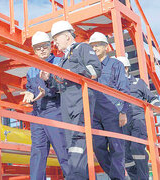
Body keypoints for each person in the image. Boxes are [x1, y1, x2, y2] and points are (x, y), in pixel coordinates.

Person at [42, 20, 101, 180]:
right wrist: (48, 79)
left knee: (78, 143)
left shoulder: (83, 48)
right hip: (67, 107)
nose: (54, 43)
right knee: (71, 146)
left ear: (67, 36)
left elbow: (95, 70)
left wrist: (70, 71)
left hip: (81, 104)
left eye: (56, 38)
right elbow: (58, 85)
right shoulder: (63, 60)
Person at [21, 31, 69, 180]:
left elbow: (64, 87)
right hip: (37, 113)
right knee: (37, 153)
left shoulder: (59, 63)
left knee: (63, 150)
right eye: (37, 48)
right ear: (34, 50)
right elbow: (30, 87)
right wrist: (29, 93)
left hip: (55, 109)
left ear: (51, 46)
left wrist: (47, 89)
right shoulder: (32, 70)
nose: (41, 50)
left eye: (44, 46)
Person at [89, 32, 130, 180]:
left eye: (98, 45)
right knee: (98, 148)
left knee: (117, 148)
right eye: (92, 46)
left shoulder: (115, 64)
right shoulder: (89, 68)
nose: (95, 48)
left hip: (113, 112)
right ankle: (116, 177)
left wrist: (123, 111)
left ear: (106, 46)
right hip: (94, 114)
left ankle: (118, 177)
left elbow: (124, 89)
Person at [117, 56, 160, 180]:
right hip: (122, 121)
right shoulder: (114, 85)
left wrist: (156, 106)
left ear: (126, 68)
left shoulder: (138, 83)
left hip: (137, 119)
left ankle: (143, 177)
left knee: (137, 148)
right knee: (125, 155)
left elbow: (152, 98)